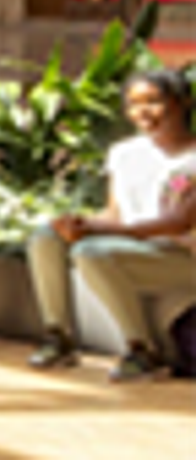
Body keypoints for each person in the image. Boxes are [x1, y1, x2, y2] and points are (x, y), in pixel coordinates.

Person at [28, 64, 196, 377]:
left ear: (181, 102)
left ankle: (142, 351)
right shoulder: (124, 153)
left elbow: (178, 223)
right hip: (133, 246)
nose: (143, 111)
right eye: (134, 104)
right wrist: (78, 223)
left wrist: (101, 231)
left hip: (181, 256)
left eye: (153, 101)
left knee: (91, 252)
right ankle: (58, 336)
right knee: (45, 236)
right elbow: (115, 213)